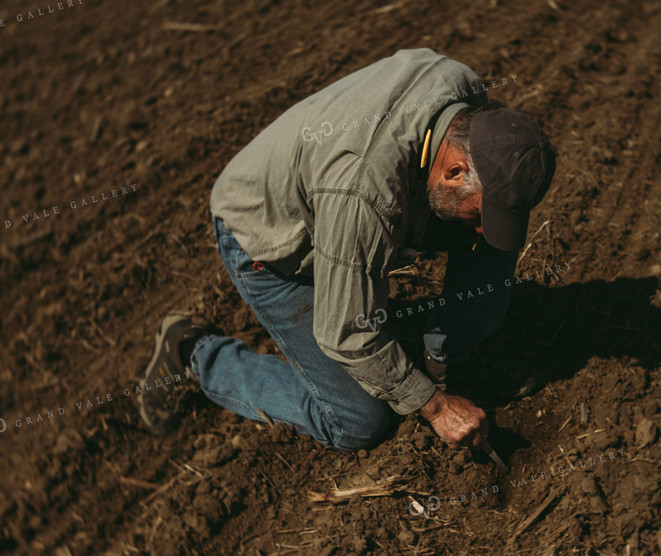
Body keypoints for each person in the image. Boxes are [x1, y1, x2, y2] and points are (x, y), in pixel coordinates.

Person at [136, 49, 555, 452]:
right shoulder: (364, 190)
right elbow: (346, 332)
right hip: (270, 238)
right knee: (358, 421)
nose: (481, 228)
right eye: (480, 212)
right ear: (454, 170)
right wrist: (435, 407)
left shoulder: (467, 104)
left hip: (342, 202)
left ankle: (445, 359)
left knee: (488, 235)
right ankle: (194, 352)